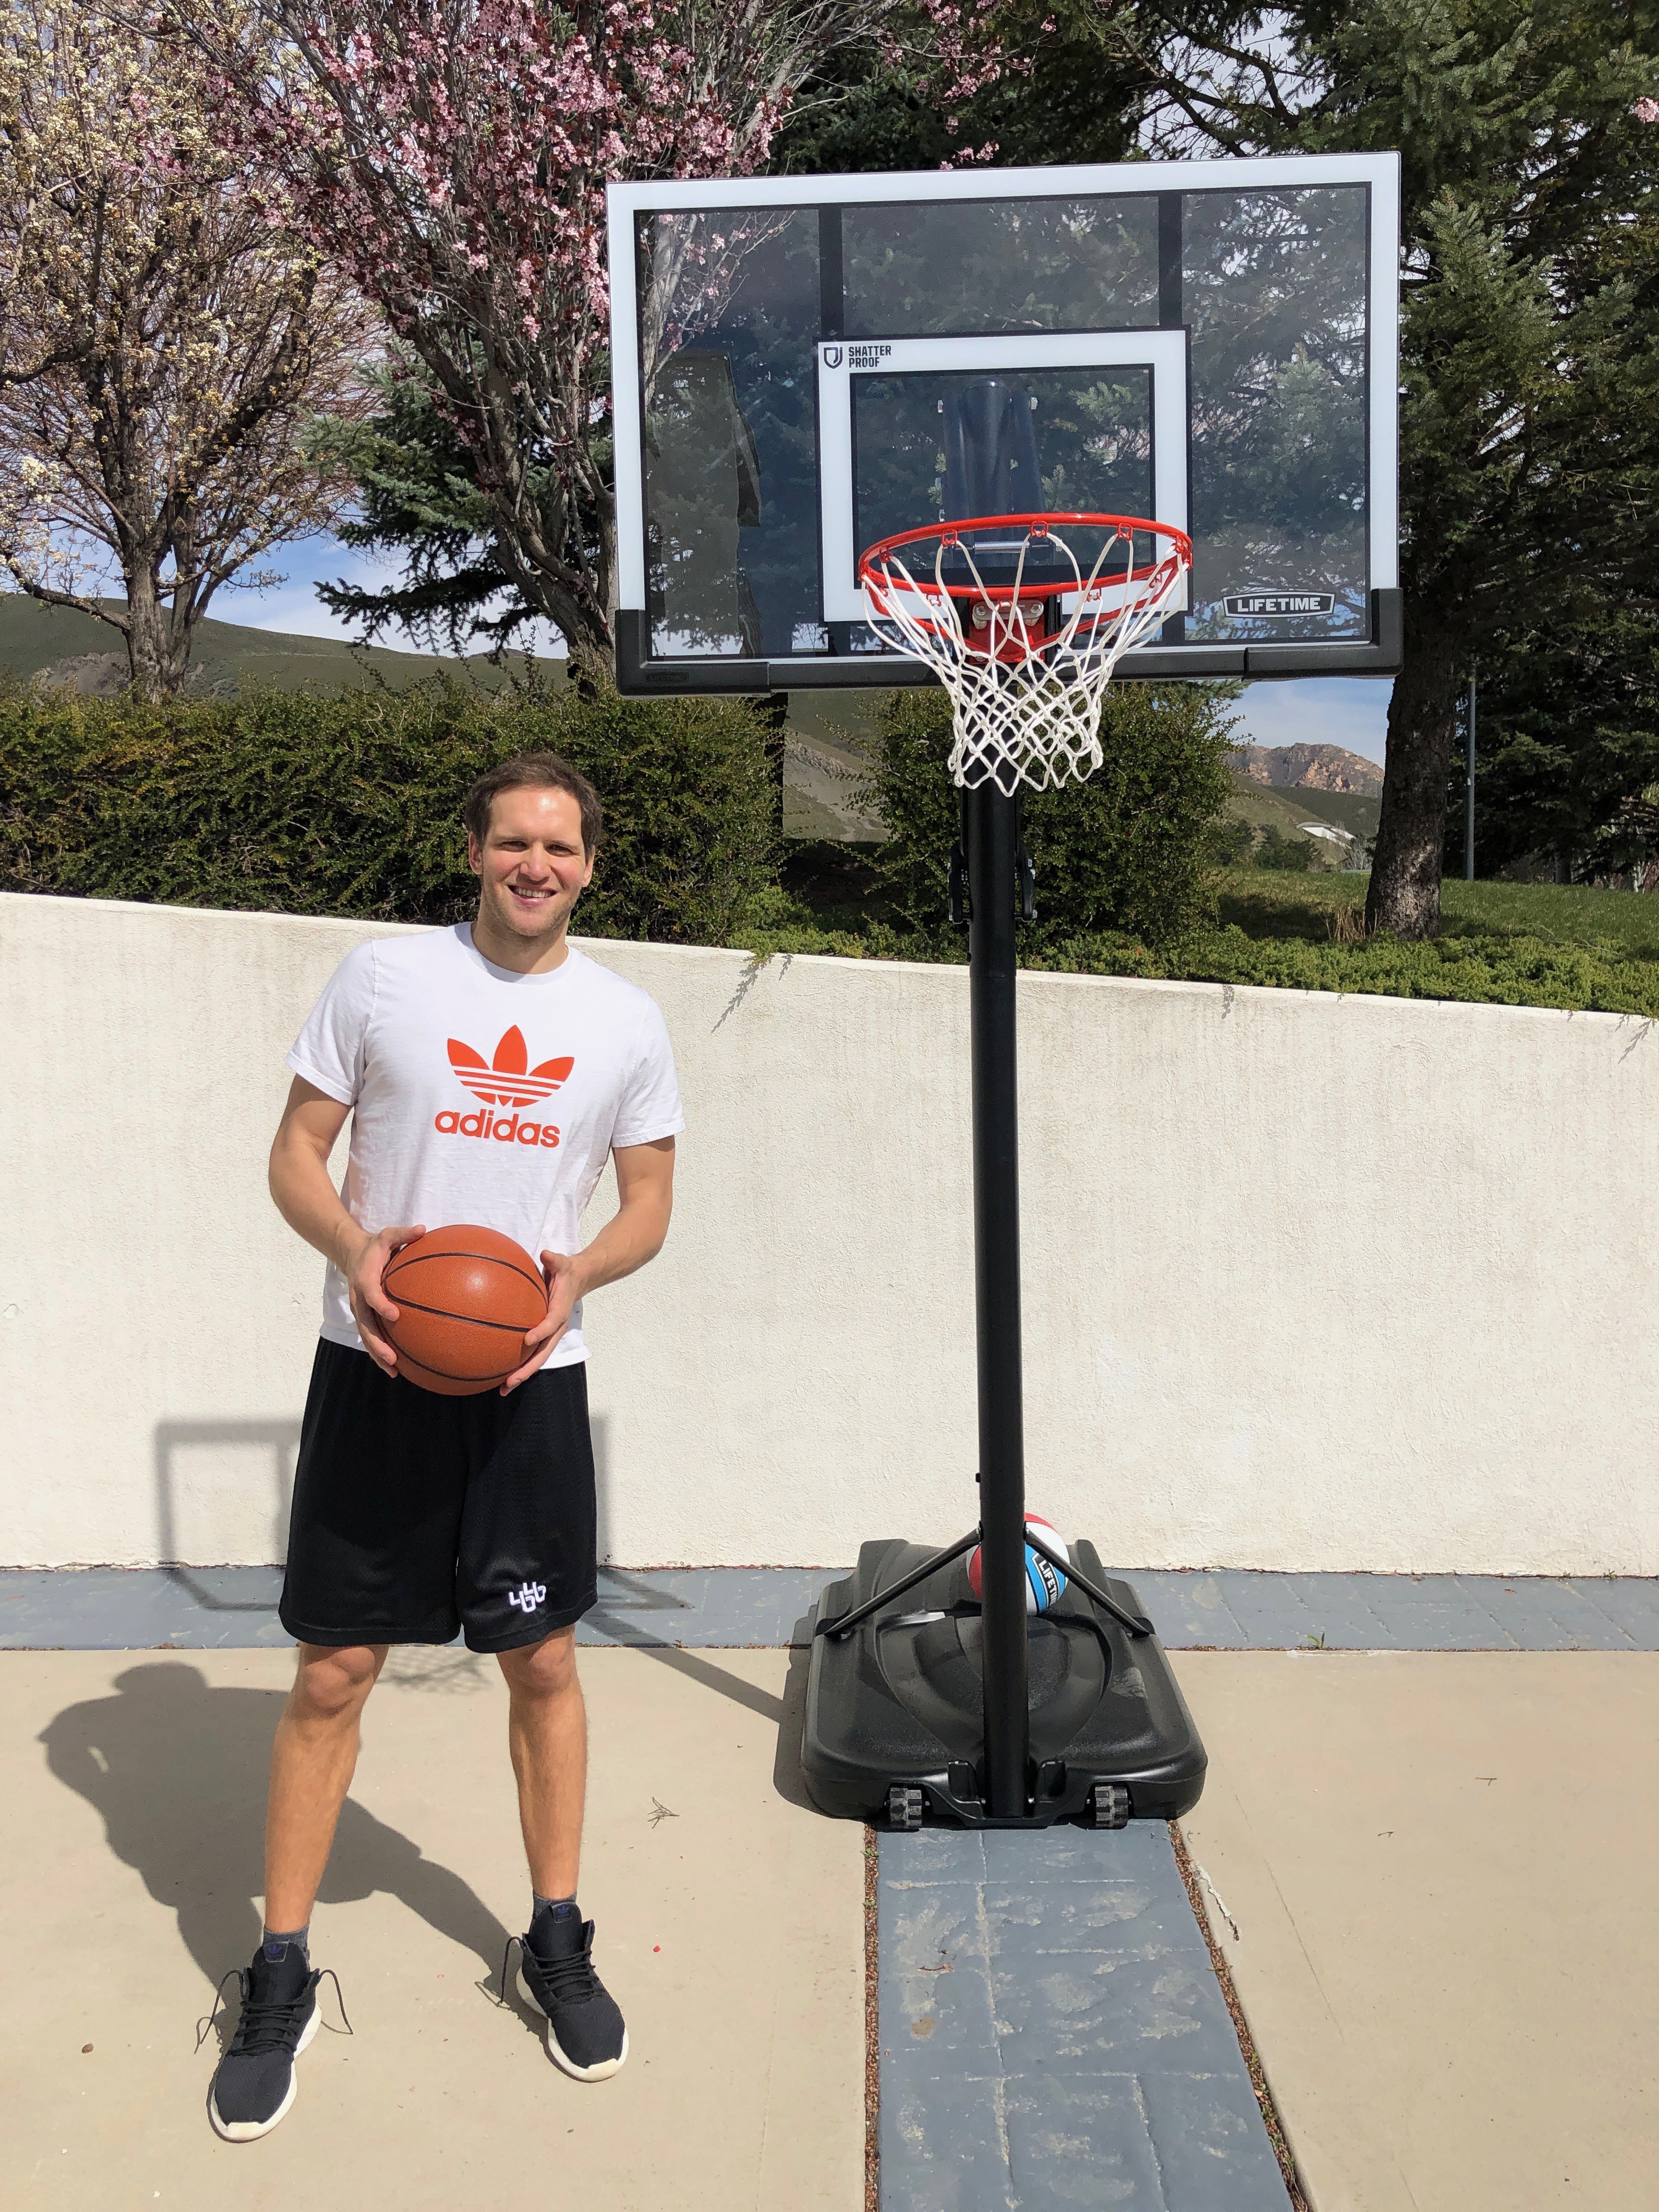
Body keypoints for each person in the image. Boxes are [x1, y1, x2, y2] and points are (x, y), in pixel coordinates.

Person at [207, 752, 681, 2142]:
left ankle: (554, 1939)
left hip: (530, 1381)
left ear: (590, 867)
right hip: (377, 1368)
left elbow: (649, 1203)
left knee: (545, 1661)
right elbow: (296, 1152)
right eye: (515, 841)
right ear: (474, 851)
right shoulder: (382, 980)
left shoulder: (625, 1020)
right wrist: (356, 1248)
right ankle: (281, 1967)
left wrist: (578, 1276)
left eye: (562, 847)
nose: (538, 864)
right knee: (334, 1671)